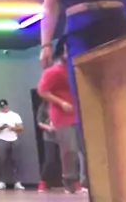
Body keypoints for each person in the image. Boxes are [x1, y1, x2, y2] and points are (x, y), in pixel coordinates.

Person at [39, 0, 126, 190]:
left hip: (115, 25)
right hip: (79, 31)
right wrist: (45, 44)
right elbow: (49, 7)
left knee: (125, 93)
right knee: (86, 99)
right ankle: (98, 179)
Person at [38, 43, 85, 194]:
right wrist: (61, 102)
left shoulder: (76, 68)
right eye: (66, 49)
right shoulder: (53, 72)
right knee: (70, 149)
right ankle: (69, 180)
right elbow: (42, 91)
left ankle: (85, 181)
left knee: (85, 149)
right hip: (61, 116)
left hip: (79, 114)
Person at [0, 100, 25, 190]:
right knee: (2, 161)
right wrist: (2, 127)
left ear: (7, 105)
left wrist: (11, 127)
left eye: (5, 106)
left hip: (14, 139)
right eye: (2, 107)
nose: (4, 108)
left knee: (16, 160)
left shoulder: (14, 115)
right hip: (2, 139)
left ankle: (17, 182)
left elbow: (21, 128)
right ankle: (2, 182)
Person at [35, 101, 59, 193]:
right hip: (49, 136)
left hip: (62, 134)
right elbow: (40, 122)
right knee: (50, 160)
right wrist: (48, 128)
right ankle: (42, 182)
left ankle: (73, 183)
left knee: (69, 157)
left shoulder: (59, 104)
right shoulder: (43, 106)